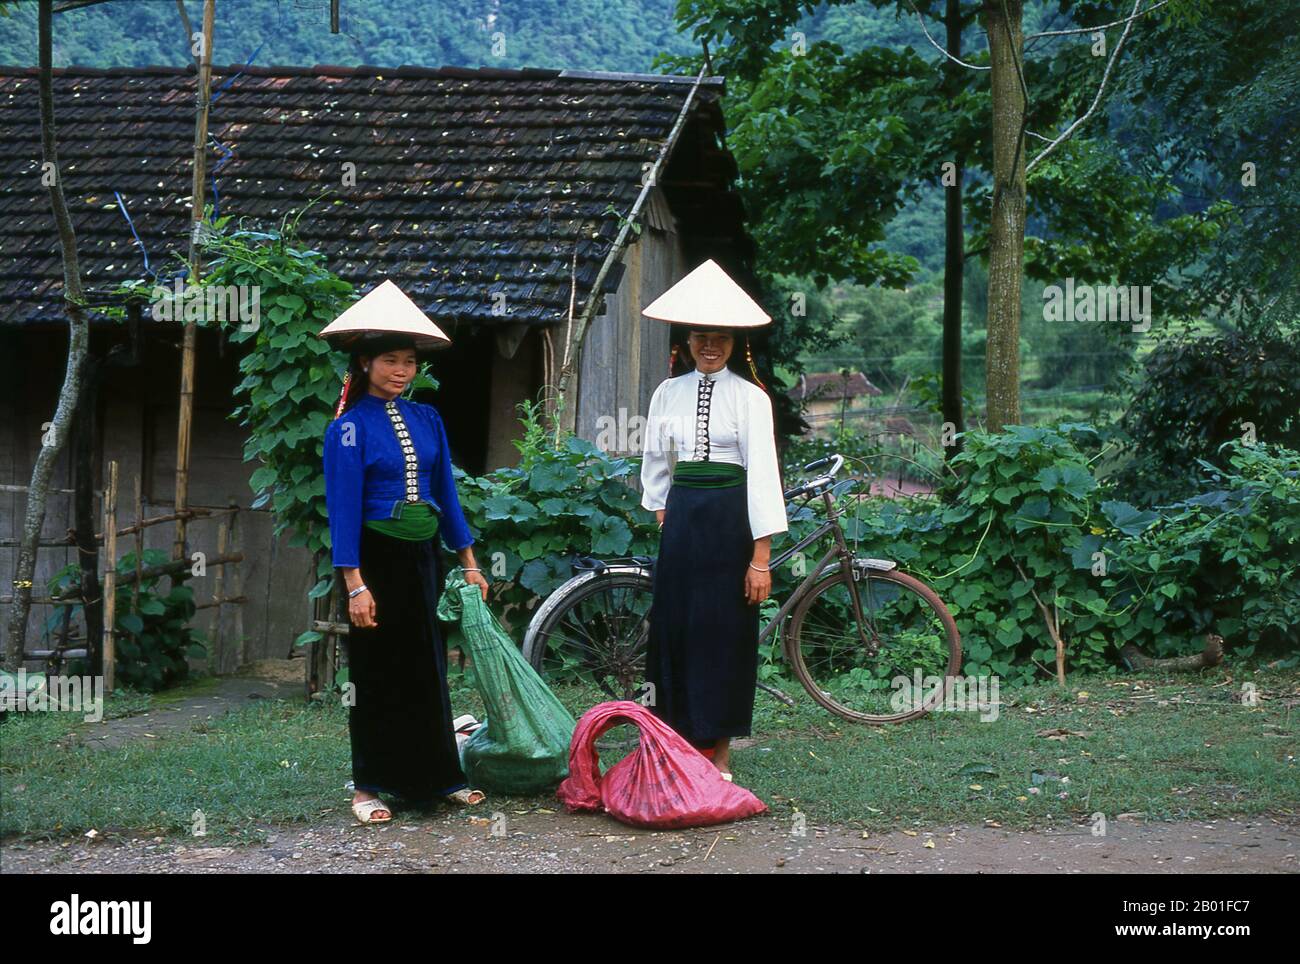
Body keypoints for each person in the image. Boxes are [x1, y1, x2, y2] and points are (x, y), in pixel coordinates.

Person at [320, 280, 491, 824]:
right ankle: (369, 786)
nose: (401, 371)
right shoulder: (347, 429)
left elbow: (448, 498)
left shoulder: (428, 420)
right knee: (376, 673)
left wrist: (468, 562)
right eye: (390, 361)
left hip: (423, 559)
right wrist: (355, 584)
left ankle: (441, 778)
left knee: (429, 668)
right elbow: (343, 511)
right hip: (375, 560)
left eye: (409, 362)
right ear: (365, 363)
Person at [639, 259, 788, 783]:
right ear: (686, 339)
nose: (710, 346)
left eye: (720, 338)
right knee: (676, 629)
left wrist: (760, 558)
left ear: (733, 342)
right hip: (682, 524)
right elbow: (656, 460)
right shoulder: (666, 393)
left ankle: (719, 755)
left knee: (724, 633)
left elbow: (764, 477)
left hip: (731, 524)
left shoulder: (751, 398)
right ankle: (676, 750)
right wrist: (664, 510)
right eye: (701, 336)